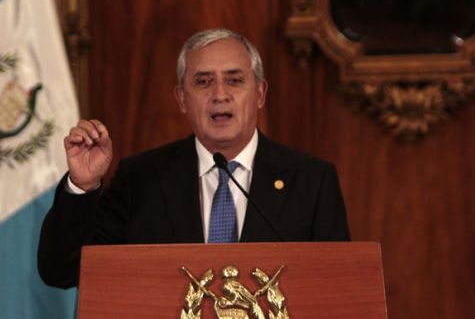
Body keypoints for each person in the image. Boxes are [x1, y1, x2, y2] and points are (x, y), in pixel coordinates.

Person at [37, 28, 350, 289]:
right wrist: (82, 185)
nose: (220, 95)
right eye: (203, 81)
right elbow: (62, 272)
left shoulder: (311, 182)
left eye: (235, 80)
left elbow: (339, 287)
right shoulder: (139, 179)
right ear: (182, 99)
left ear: (260, 94)